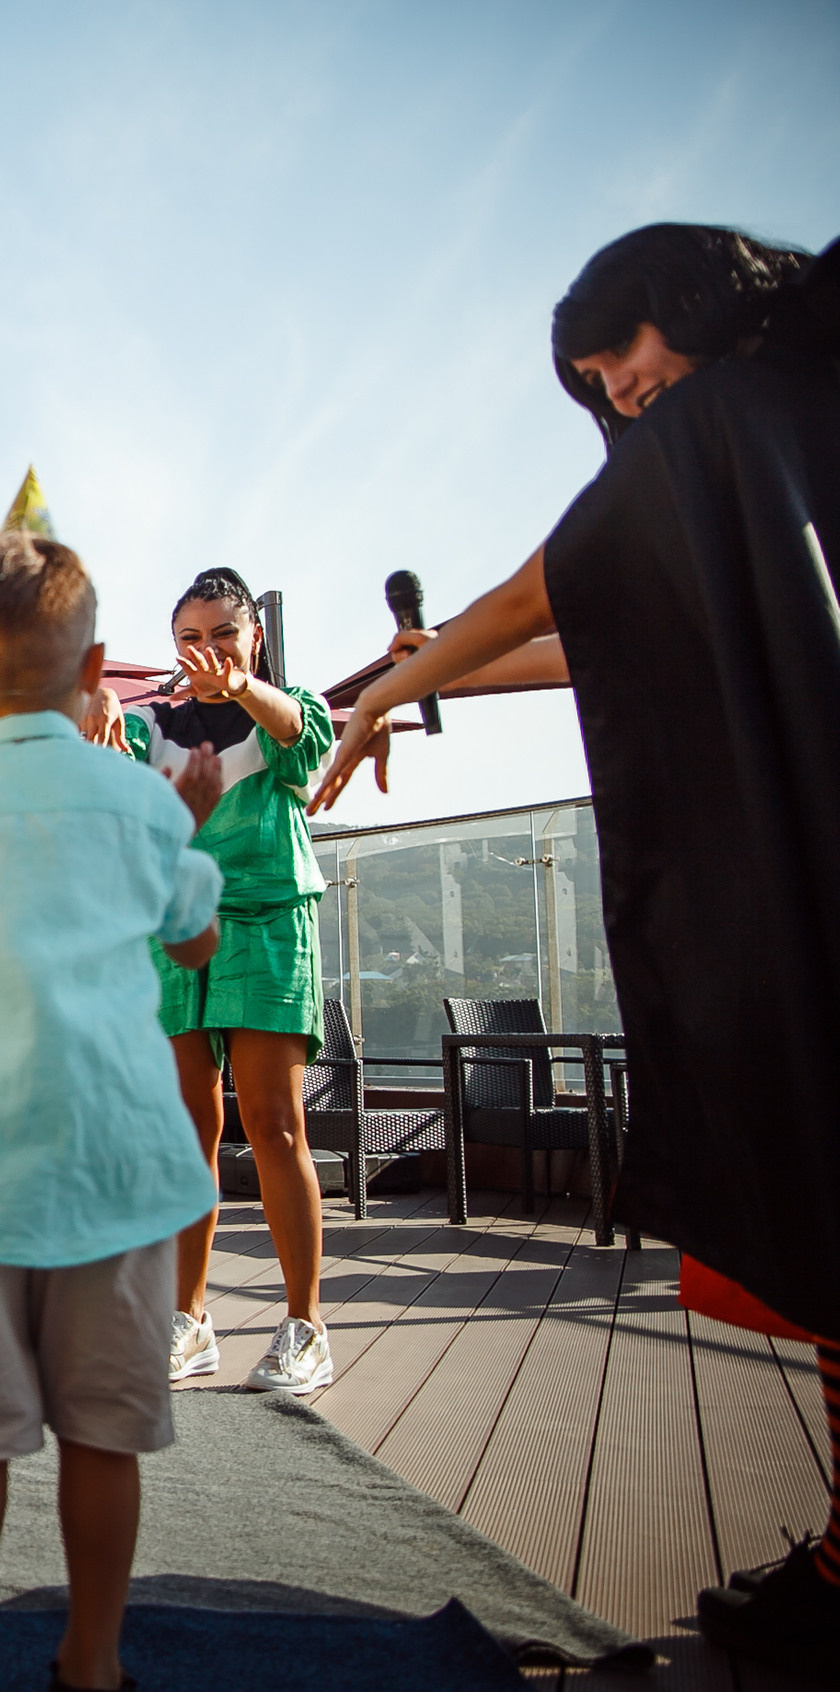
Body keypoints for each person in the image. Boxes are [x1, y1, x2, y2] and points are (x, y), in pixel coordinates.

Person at [313, 224, 840, 1682]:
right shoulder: (747, 456)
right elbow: (585, 622)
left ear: (700, 301)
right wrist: (425, 681)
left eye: (624, 358)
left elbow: (548, 588)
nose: (620, 399)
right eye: (596, 387)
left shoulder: (744, 411)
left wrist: (390, 691)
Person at [0, 529, 223, 1692]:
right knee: (103, 1435)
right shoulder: (139, 798)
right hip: (117, 1165)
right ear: (95, 667)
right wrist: (188, 822)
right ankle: (93, 1661)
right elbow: (197, 935)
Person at [90, 567, 336, 1395]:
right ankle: (188, 1322)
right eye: (190, 639)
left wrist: (244, 686)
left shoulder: (285, 712)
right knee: (187, 1129)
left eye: (222, 634)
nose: (206, 652)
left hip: (267, 918)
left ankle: (305, 1325)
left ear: (252, 637)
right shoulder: (149, 724)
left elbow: (306, 735)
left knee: (273, 1123)